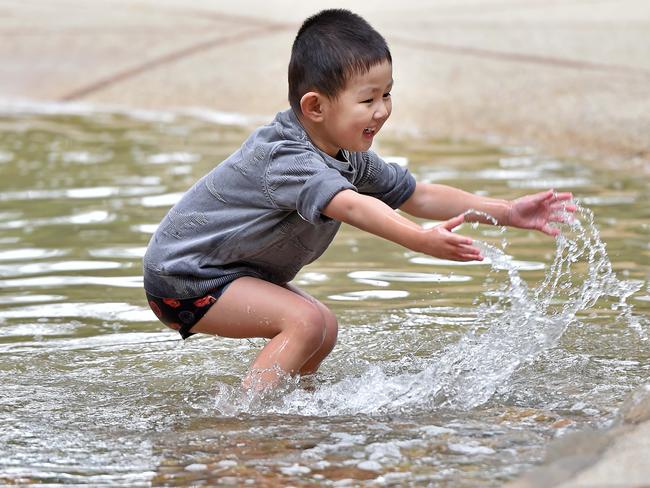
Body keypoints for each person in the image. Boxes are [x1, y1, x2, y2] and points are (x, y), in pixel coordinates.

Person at [143, 9, 575, 390]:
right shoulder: (286, 156)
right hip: (186, 276)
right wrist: (419, 240)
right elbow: (349, 204)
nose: (382, 110)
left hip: (231, 270)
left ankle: (295, 412)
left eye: (387, 94)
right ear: (315, 107)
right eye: (367, 99)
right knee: (305, 321)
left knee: (324, 327)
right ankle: (246, 424)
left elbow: (417, 194)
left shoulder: (347, 155)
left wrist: (507, 212)